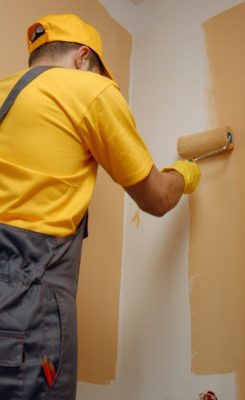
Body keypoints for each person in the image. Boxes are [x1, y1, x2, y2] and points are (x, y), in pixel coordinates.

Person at [0, 13, 200, 400]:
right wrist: (186, 173)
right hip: (25, 301)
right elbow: (157, 198)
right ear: (82, 56)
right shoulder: (89, 90)